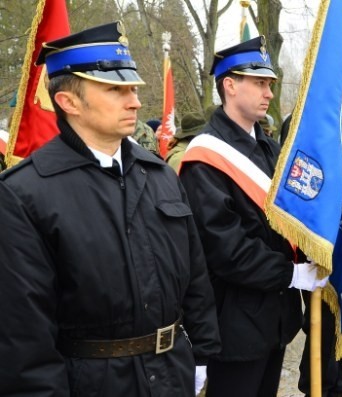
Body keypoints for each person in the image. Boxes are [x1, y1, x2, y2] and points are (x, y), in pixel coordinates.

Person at [0, 21, 221, 396]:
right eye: (116, 89)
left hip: (171, 374)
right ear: (68, 102)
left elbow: (196, 276)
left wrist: (200, 355)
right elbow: (23, 337)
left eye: (133, 88)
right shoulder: (24, 194)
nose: (134, 101)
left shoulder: (160, 174)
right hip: (92, 383)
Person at [178, 36, 326, 397]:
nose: (269, 93)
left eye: (270, 85)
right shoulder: (204, 158)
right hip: (235, 324)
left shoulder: (270, 148)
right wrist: (290, 274)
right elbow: (225, 249)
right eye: (259, 83)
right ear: (229, 85)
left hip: (275, 319)